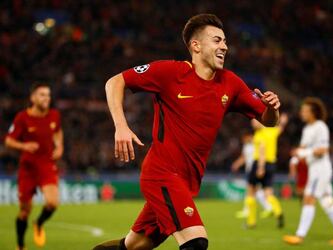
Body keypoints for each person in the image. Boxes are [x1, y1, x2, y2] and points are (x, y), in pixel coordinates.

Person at [94, 13, 281, 250]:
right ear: (196, 45)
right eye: (216, 40)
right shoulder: (170, 72)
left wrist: (272, 108)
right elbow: (115, 82)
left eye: (224, 41)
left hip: (187, 181)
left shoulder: (231, 83)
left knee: (132, 246)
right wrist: (121, 125)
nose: (224, 46)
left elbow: (268, 121)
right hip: (161, 174)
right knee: (196, 243)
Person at [283, 97, 333, 245]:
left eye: (305, 110)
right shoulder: (307, 129)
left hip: (320, 170)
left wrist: (302, 154)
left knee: (308, 199)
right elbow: (302, 150)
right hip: (314, 169)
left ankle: (299, 236)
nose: (302, 113)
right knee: (327, 202)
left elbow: (322, 150)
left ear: (313, 113)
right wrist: (294, 160)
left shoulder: (320, 127)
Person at [5, 83, 63, 250]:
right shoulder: (22, 118)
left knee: (52, 203)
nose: (46, 98)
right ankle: (21, 245)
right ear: (33, 98)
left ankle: (39, 223)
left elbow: (58, 132)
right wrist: (24, 146)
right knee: (24, 211)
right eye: (42, 95)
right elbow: (9, 140)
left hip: (47, 165)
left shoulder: (54, 115)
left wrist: (59, 146)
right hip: (28, 167)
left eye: (48, 95)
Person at [240, 114, 288, 228]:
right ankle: (278, 212)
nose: (253, 124)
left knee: (251, 191)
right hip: (271, 164)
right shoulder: (272, 131)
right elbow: (280, 129)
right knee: (268, 193)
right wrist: (283, 122)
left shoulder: (259, 134)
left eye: (255, 121)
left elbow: (262, 150)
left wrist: (260, 167)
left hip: (259, 163)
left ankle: (251, 222)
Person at [231, 131, 272, 221]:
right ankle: (267, 208)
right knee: (253, 191)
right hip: (249, 170)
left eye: (245, 138)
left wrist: (260, 168)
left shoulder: (257, 143)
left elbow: (262, 155)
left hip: (256, 169)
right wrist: (236, 164)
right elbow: (244, 157)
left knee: (253, 190)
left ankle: (268, 208)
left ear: (249, 136)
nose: (244, 140)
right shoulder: (246, 146)